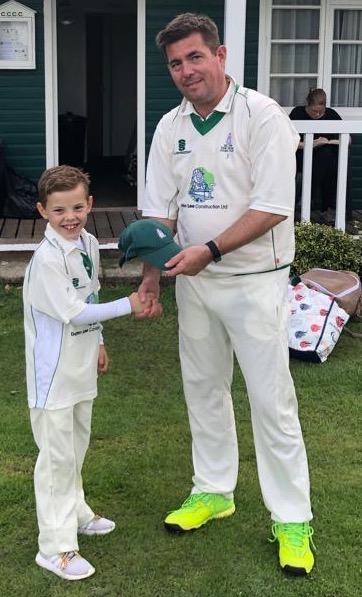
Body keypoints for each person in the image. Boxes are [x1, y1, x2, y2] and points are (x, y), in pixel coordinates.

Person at [137, 13, 315, 575]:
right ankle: (214, 489)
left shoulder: (262, 116)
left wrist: (209, 250)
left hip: (255, 282)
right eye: (175, 63)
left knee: (272, 402)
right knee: (204, 390)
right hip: (195, 285)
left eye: (194, 57)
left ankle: (291, 518)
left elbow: (270, 208)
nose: (186, 71)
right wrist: (149, 278)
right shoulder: (171, 125)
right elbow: (158, 213)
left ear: (220, 55)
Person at [23, 165, 151, 581]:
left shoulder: (90, 243)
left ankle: (76, 513)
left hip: (81, 369)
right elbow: (74, 312)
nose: (70, 217)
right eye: (59, 210)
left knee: (75, 448)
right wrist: (129, 304)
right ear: (43, 211)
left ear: (90, 204)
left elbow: (90, 293)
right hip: (53, 376)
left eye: (77, 207)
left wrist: (99, 343)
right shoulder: (45, 261)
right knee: (56, 460)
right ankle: (55, 548)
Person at [289, 88, 349, 214]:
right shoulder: (297, 113)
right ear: (307, 104)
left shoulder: (331, 114)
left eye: (320, 112)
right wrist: (313, 144)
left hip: (325, 160)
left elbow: (348, 140)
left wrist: (328, 142)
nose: (317, 114)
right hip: (301, 157)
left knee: (328, 156)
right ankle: (327, 208)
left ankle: (308, 199)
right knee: (327, 162)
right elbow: (289, 141)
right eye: (314, 111)